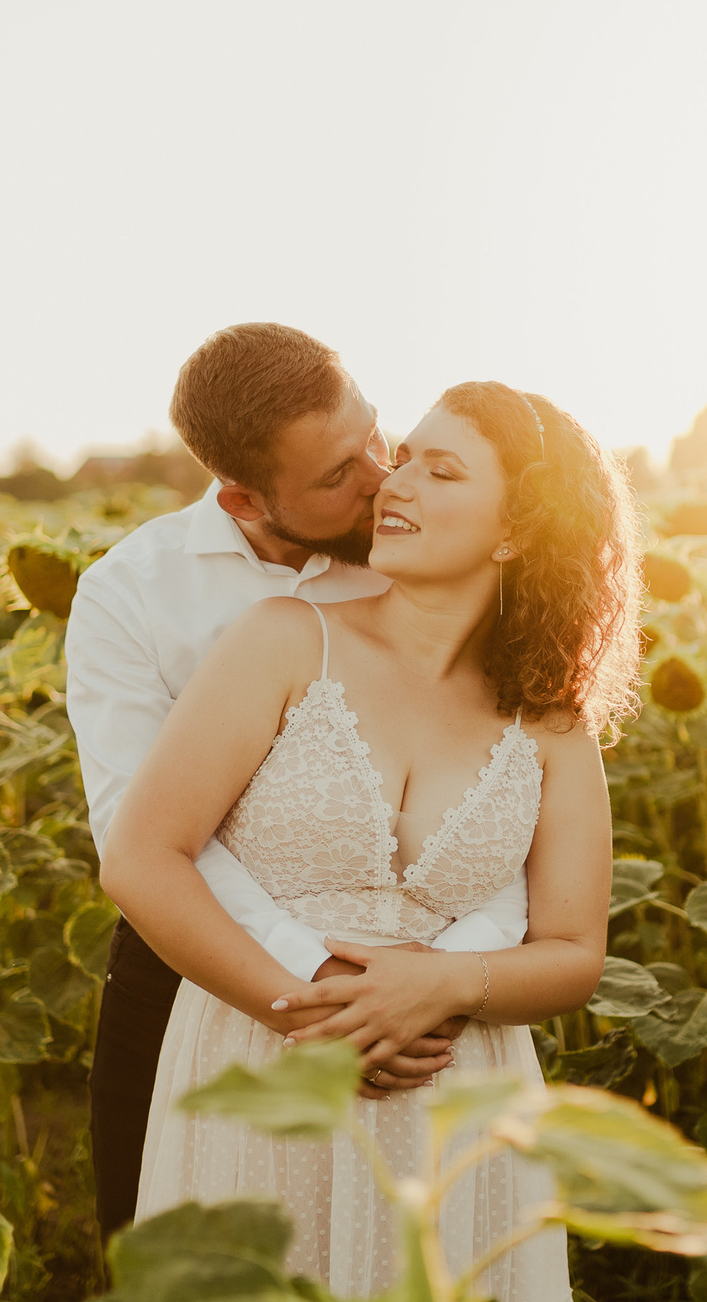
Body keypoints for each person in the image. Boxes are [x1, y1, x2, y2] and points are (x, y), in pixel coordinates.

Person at [80, 379, 644, 1302]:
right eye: (407, 458)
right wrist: (302, 1009)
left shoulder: (549, 717)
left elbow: (575, 950)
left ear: (518, 527)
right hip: (258, 1078)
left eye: (445, 472)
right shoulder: (290, 636)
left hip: (455, 1102)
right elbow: (142, 857)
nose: (396, 484)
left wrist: (449, 983)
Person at [67, 324, 529, 1243]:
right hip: (193, 968)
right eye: (335, 476)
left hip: (422, 1001)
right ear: (243, 495)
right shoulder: (133, 593)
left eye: (374, 437)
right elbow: (146, 838)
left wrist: (426, 981)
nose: (379, 479)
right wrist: (319, 987)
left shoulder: (422, 554)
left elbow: (500, 787)